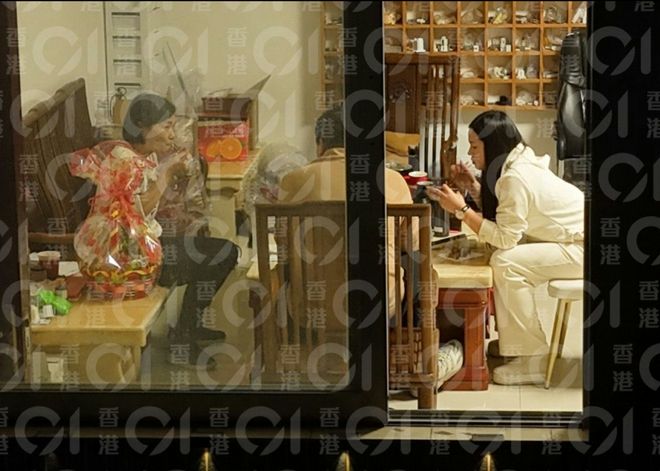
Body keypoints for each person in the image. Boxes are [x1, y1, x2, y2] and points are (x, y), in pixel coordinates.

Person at [427, 110, 584, 385]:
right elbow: (508, 214)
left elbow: (505, 238)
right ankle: (519, 345)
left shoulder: (515, 177)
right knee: (504, 257)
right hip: (572, 241)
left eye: (475, 146)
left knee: (505, 260)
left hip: (581, 247)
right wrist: (473, 187)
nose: (470, 153)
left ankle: (532, 358)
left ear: (493, 144)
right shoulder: (516, 162)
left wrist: (461, 210)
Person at [122, 93, 239, 369]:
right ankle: (183, 340)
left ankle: (188, 327)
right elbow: (135, 212)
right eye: (167, 126)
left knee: (221, 251)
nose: (172, 134)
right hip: (132, 255)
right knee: (222, 254)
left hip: (149, 245)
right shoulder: (125, 160)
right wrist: (167, 175)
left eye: (174, 127)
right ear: (142, 127)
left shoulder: (145, 157)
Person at [278, 106, 415, 317]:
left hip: (310, 308)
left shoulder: (292, 181)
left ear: (320, 142)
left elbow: (283, 243)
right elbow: (412, 243)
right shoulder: (392, 180)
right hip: (379, 307)